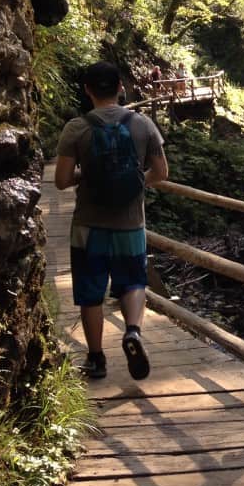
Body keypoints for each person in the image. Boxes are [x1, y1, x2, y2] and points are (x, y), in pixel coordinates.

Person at [55, 61, 169, 380]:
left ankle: (96, 359)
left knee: (91, 292)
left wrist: (86, 173)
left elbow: (62, 180)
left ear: (87, 90)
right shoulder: (143, 124)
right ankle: (132, 331)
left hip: (88, 226)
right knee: (134, 281)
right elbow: (161, 173)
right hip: (130, 223)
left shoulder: (76, 128)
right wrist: (133, 181)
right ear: (121, 87)